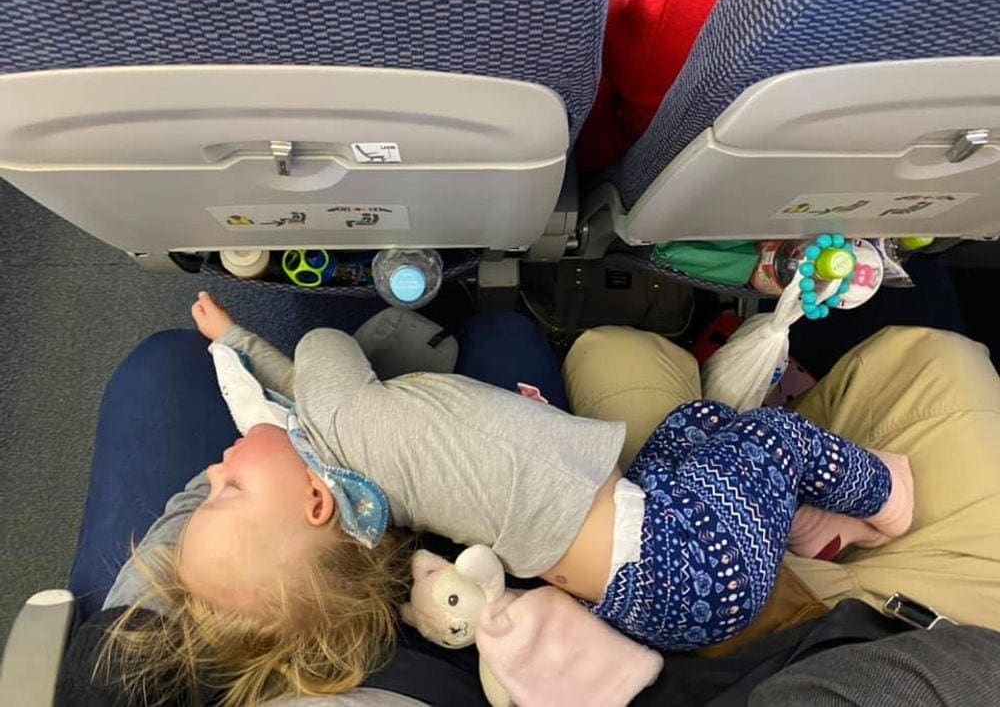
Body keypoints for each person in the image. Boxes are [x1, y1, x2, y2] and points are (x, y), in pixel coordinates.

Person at [95, 292, 914, 706]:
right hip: (692, 562)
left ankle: (808, 528)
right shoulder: (356, 430)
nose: (209, 471)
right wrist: (287, 347)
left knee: (697, 425)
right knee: (767, 441)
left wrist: (237, 342)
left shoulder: (360, 494)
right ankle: (885, 497)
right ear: (315, 504)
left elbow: (296, 411)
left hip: (650, 581)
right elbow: (323, 354)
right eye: (228, 489)